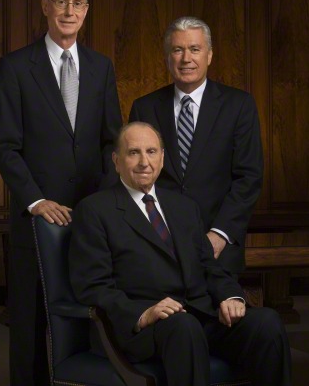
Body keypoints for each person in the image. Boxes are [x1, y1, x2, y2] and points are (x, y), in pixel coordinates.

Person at [69, 122, 291, 386]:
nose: (144, 162)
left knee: (266, 323)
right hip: (146, 326)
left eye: (151, 152)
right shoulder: (94, 210)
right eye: (133, 153)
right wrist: (144, 312)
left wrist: (230, 295)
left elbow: (208, 265)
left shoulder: (184, 207)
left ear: (162, 159)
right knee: (184, 327)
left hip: (200, 316)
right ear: (116, 161)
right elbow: (93, 287)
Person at [0, 0, 122, 385]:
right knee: (31, 320)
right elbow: (6, 146)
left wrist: (102, 201)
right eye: (61, 2)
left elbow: (111, 143)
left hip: (91, 217)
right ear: (45, 6)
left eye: (79, 4)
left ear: (86, 12)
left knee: (93, 313)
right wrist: (36, 200)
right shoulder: (15, 66)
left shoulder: (101, 67)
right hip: (36, 217)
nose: (70, 12)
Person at [129, 17, 263, 276]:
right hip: (159, 247)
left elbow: (249, 177)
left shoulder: (239, 106)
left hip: (218, 245)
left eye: (194, 49)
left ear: (209, 55)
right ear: (168, 58)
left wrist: (220, 234)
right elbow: (135, 178)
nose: (186, 58)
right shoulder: (145, 107)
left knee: (219, 315)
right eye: (177, 50)